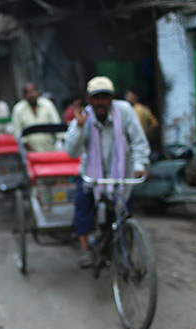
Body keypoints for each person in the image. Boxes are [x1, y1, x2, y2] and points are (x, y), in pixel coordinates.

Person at [65, 75, 150, 267]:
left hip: (121, 176)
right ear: (89, 99)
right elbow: (71, 151)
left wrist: (139, 167)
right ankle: (85, 249)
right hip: (92, 176)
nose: (100, 102)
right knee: (83, 208)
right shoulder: (84, 116)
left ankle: (122, 250)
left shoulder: (125, 111)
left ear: (111, 98)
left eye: (104, 97)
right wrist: (78, 126)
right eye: (96, 97)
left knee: (123, 215)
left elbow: (138, 142)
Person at [11, 82, 61, 152]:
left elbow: (57, 125)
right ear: (24, 95)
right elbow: (17, 133)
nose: (32, 95)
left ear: (38, 92)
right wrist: (28, 147)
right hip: (28, 153)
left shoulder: (47, 105)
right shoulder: (18, 109)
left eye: (34, 91)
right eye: (29, 93)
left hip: (50, 149)